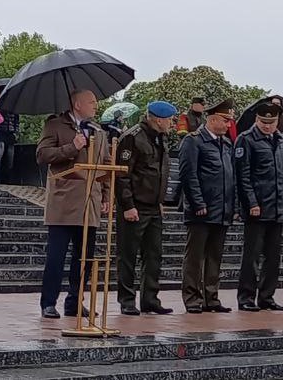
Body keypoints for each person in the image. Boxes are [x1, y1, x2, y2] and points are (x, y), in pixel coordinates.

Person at [36, 89, 110, 319]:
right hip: (63, 202)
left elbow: (106, 164)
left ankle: (75, 301)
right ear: (77, 104)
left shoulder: (99, 131)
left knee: (84, 258)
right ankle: (49, 302)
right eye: (91, 102)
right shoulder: (55, 125)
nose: (95, 106)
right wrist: (73, 147)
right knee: (56, 257)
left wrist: (107, 195)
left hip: (90, 202)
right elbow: (43, 155)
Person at [115, 101, 178, 316]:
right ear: (158, 119)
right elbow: (122, 175)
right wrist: (128, 205)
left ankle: (150, 299)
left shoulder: (160, 138)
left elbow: (160, 171)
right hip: (135, 206)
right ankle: (127, 300)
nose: (172, 123)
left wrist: (160, 201)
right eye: (169, 119)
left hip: (153, 206)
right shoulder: (132, 137)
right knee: (128, 255)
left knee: (154, 255)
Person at [235, 101, 283, 312]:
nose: (268, 126)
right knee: (252, 256)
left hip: (278, 207)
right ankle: (246, 297)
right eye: (264, 121)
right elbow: (243, 176)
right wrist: (251, 202)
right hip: (257, 208)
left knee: (273, 257)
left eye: (272, 122)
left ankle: (267, 296)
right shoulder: (246, 139)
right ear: (256, 119)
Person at [179, 98, 237, 314]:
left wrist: (233, 206)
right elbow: (188, 174)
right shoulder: (194, 141)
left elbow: (230, 177)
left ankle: (211, 297)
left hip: (221, 209)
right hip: (201, 210)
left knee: (215, 256)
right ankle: (192, 297)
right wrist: (198, 202)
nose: (229, 125)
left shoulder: (226, 144)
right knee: (195, 257)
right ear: (213, 119)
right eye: (226, 120)